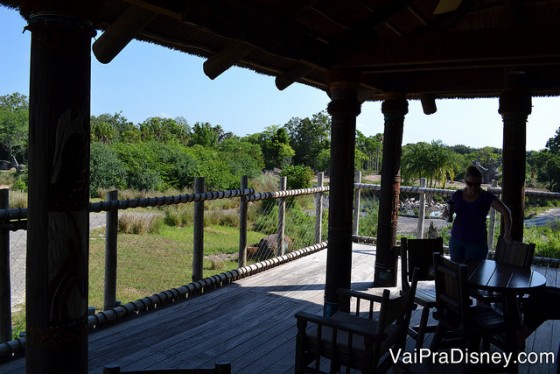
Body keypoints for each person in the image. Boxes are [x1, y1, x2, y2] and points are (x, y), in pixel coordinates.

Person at [444, 165, 512, 262]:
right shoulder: (458, 195)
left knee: (474, 274)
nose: (473, 187)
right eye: (470, 183)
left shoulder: (486, 197)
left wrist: (507, 233)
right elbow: (449, 205)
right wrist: (445, 211)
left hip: (476, 243)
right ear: (465, 181)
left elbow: (506, 212)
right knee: (456, 273)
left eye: (477, 184)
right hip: (456, 241)